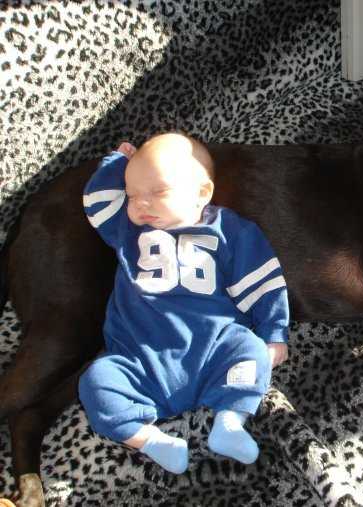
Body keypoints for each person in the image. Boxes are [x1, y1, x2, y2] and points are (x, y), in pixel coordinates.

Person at [78, 133, 289, 474]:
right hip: (140, 358)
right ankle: (150, 440)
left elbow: (263, 281)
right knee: (95, 381)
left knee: (252, 351)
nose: (142, 204)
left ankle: (229, 422)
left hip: (214, 348)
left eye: (158, 192)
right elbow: (97, 201)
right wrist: (118, 162)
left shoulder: (228, 229)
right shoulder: (128, 231)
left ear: (202, 193)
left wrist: (274, 331)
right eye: (132, 195)